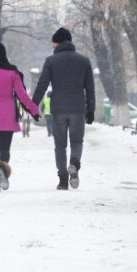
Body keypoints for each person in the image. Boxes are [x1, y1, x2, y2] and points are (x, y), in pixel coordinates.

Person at [32, 28, 95, 190]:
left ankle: (62, 180)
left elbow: (42, 85)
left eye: (54, 43)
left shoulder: (51, 61)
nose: (52, 46)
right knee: (77, 141)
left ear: (58, 42)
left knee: (60, 145)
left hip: (58, 109)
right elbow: (90, 88)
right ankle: (74, 162)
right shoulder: (84, 61)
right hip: (78, 108)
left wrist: (33, 105)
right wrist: (91, 109)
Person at [0, 39, 40, 192]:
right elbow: (22, 95)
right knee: (5, 148)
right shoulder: (12, 73)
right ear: (4, 55)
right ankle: (2, 172)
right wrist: (34, 111)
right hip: (7, 112)